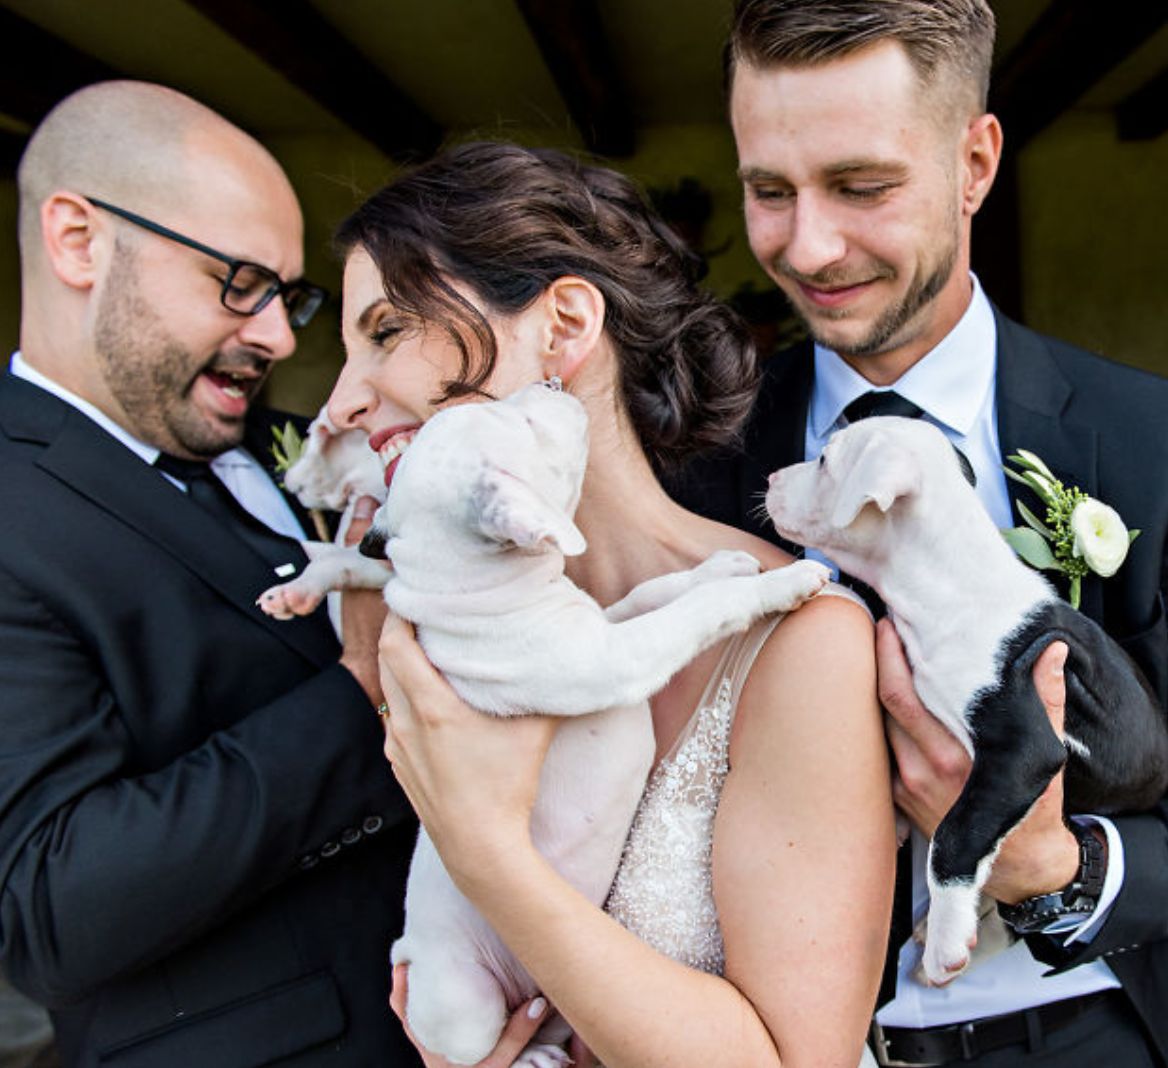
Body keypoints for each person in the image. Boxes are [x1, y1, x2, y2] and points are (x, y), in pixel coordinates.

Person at [665, 2, 1168, 1065]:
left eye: (860, 186)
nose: (806, 245)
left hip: (1079, 1027)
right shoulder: (689, 456)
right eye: (769, 191)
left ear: (974, 163)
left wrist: (1051, 867)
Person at [326, 141, 899, 1068]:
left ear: (562, 326)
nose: (345, 400)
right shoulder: (437, 643)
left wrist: (489, 857)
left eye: (387, 332)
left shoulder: (802, 640)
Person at [0, 82, 418, 1067]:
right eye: (237, 281)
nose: (277, 335)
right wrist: (364, 693)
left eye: (287, 293)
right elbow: (51, 910)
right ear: (77, 242)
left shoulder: (304, 446)